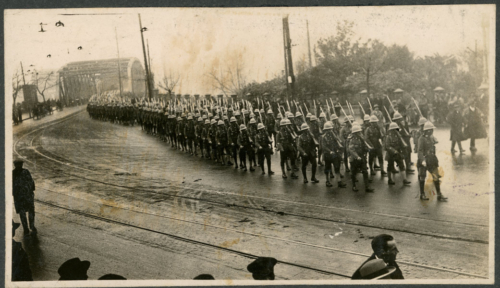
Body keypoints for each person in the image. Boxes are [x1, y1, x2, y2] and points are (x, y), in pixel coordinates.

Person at [417, 121, 447, 201]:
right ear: (427, 130)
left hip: (431, 159)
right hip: (424, 159)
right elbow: (419, 151)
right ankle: (422, 194)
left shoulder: (430, 137)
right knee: (422, 177)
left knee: (436, 176)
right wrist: (422, 160)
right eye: (431, 129)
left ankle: (439, 194)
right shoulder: (421, 139)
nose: (432, 131)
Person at [12, 160, 37, 237]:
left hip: (25, 196)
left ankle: (30, 227)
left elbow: (31, 182)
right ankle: (27, 227)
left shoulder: (15, 173)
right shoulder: (19, 173)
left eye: (20, 164)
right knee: (24, 212)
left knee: (28, 211)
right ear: (15, 165)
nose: (20, 166)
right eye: (18, 164)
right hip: (22, 196)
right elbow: (31, 183)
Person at [348, 123, 374, 192]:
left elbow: (364, 146)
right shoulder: (351, 140)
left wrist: (368, 149)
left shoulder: (361, 139)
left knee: (365, 171)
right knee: (353, 172)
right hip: (354, 159)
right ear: (355, 133)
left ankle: (367, 187)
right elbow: (351, 150)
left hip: (361, 157)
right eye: (358, 132)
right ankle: (354, 186)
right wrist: (357, 156)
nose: (360, 133)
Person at [321, 121, 346, 188]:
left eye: (330, 129)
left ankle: (339, 182)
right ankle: (327, 181)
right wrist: (330, 151)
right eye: (328, 129)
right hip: (328, 155)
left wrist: (338, 147)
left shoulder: (333, 135)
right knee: (327, 168)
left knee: (337, 167)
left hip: (334, 154)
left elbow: (336, 142)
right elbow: (324, 147)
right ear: (325, 130)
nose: (329, 130)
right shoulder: (323, 137)